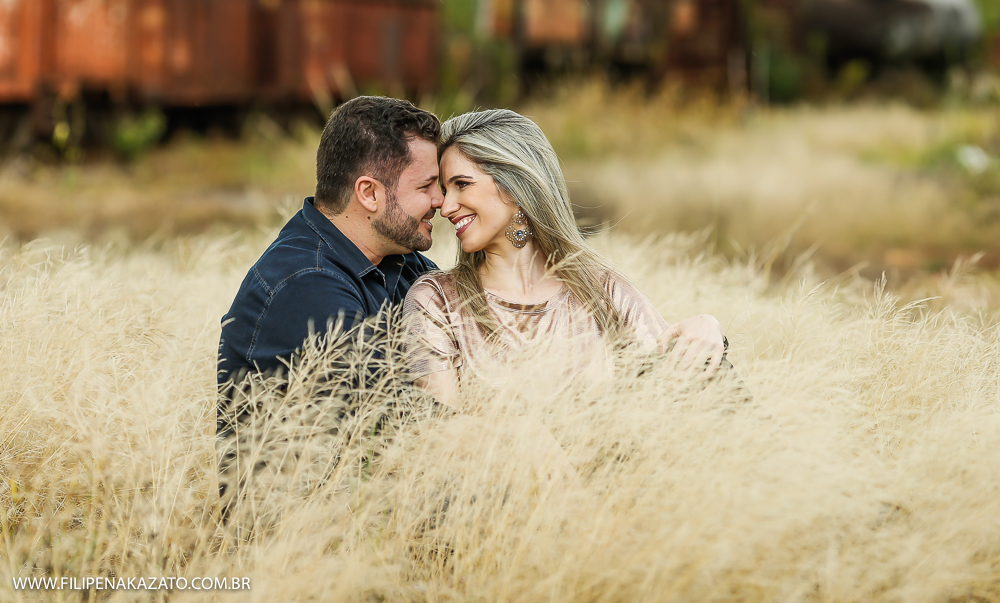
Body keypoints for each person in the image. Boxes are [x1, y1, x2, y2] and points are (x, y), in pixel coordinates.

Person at [404, 109, 729, 410]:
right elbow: (442, 436)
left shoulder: (599, 288)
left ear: (516, 186)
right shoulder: (437, 301)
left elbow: (667, 371)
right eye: (445, 191)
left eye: (462, 184)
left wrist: (705, 326)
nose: (445, 208)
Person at [217, 96, 444, 427]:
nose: (441, 199)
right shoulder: (304, 284)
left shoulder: (402, 263)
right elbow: (397, 419)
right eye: (426, 186)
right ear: (369, 193)